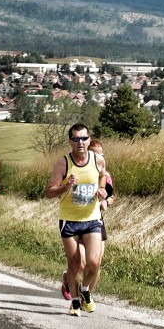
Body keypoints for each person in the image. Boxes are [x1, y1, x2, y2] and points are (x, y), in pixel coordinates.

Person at [46, 124, 106, 317]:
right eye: (76, 139)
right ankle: (74, 301)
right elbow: (48, 192)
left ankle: (86, 290)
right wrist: (65, 186)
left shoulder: (98, 160)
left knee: (94, 263)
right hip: (69, 220)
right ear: (70, 141)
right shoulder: (63, 163)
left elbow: (103, 177)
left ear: (89, 139)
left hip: (92, 219)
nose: (80, 143)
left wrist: (102, 190)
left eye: (84, 138)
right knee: (74, 264)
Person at [60, 138, 114, 301]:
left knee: (96, 262)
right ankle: (68, 279)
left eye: (102, 155)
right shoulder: (77, 170)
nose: (100, 158)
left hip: (95, 221)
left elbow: (112, 196)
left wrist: (105, 201)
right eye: (96, 155)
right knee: (81, 263)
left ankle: (86, 295)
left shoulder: (106, 175)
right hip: (75, 220)